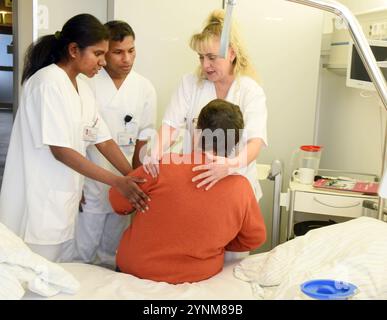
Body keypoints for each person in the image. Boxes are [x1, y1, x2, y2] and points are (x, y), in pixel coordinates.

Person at [0, 14, 149, 263]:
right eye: (98, 53)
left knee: (62, 272)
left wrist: (134, 178)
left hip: (63, 201)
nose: (102, 62)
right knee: (34, 273)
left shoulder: (82, 90)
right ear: (73, 50)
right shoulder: (48, 83)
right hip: (40, 199)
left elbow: (103, 140)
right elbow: (62, 151)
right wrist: (118, 181)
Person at [109, 99, 266, 284]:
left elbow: (117, 201)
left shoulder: (160, 166)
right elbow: (255, 238)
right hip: (197, 277)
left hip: (136, 272)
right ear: (236, 142)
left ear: (198, 134)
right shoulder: (241, 188)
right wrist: (213, 242)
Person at [144, 9, 268, 200]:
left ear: (232, 53)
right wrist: (154, 153)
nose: (205, 65)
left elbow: (255, 142)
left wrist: (230, 165)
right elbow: (170, 125)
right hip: (198, 182)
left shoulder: (250, 90)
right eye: (201, 57)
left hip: (237, 184)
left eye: (211, 57)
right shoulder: (190, 84)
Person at [74, 21, 157, 268]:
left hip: (124, 183)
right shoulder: (86, 83)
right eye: (118, 52)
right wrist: (74, 186)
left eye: (131, 51)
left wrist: (139, 182)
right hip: (89, 180)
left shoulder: (144, 88)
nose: (127, 59)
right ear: (104, 52)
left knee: (113, 251)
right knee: (82, 251)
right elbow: (74, 141)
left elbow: (144, 140)